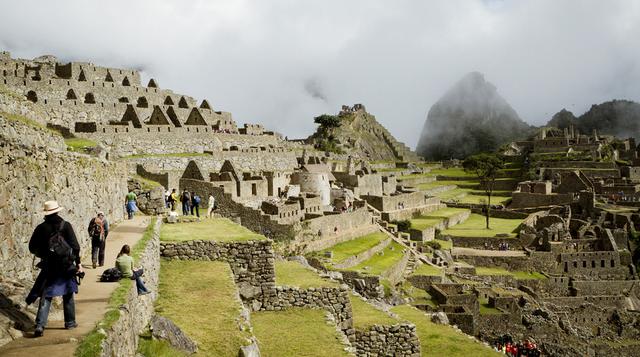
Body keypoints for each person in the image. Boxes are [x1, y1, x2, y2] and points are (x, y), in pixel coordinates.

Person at [28, 201, 83, 337]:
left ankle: (40, 325)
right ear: (57, 211)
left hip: (49, 266)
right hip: (66, 265)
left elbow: (32, 247)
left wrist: (44, 254)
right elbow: (75, 247)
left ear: (46, 213)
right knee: (68, 293)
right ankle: (70, 322)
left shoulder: (41, 228)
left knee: (46, 295)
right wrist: (78, 263)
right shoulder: (66, 225)